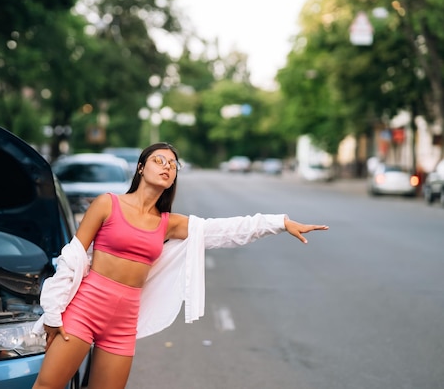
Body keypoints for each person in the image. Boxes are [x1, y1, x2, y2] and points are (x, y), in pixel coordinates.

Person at [32, 143, 329, 389]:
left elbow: (225, 230)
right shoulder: (107, 204)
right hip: (86, 308)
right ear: (140, 168)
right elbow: (73, 256)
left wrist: (279, 223)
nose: (166, 166)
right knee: (48, 386)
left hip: (123, 323)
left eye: (173, 165)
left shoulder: (169, 224)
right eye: (158, 160)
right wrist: (54, 311)